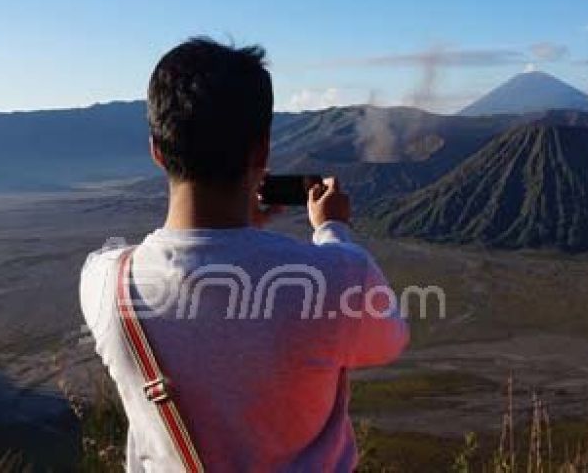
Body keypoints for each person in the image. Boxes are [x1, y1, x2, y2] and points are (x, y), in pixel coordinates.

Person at [79, 37, 409, 472]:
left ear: (157, 152)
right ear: (262, 151)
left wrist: (239, 234)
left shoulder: (104, 282)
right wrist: (332, 229)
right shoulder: (336, 280)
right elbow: (390, 339)